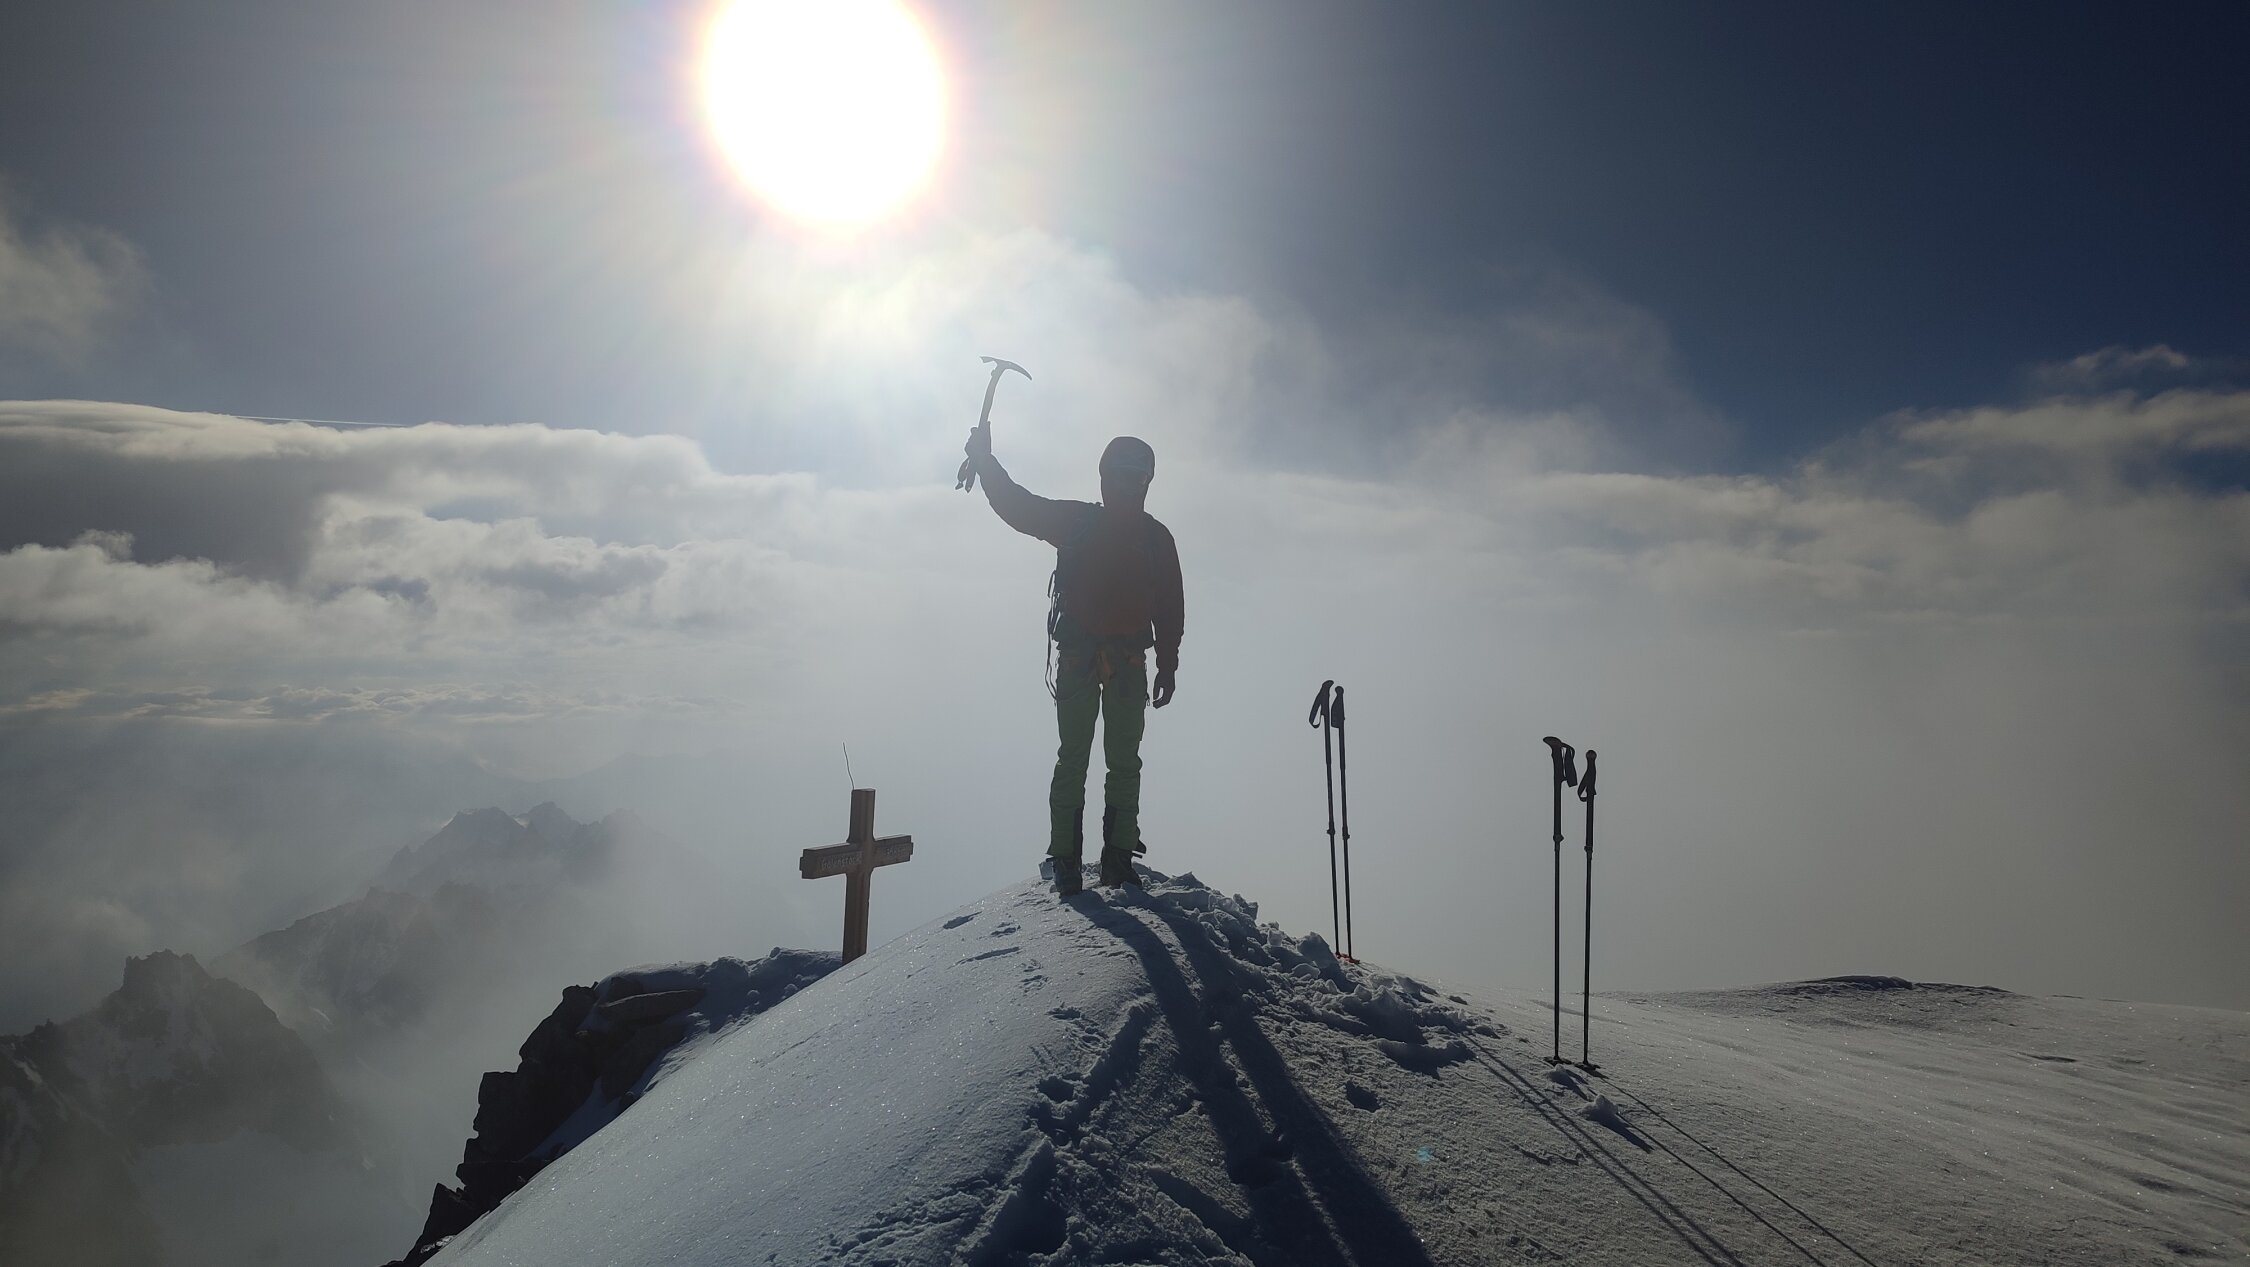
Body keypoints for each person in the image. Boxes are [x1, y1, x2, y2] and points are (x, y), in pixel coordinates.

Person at [963, 430, 1183, 896]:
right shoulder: (1150, 537)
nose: (1129, 485)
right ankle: (1103, 859)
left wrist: (984, 461)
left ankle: (1078, 859)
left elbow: (1020, 508)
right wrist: (985, 463)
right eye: (1124, 476)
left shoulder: (1088, 525)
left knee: (1084, 760)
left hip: (1088, 660)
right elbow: (1019, 507)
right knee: (1113, 763)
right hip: (1120, 662)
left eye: (1135, 478)